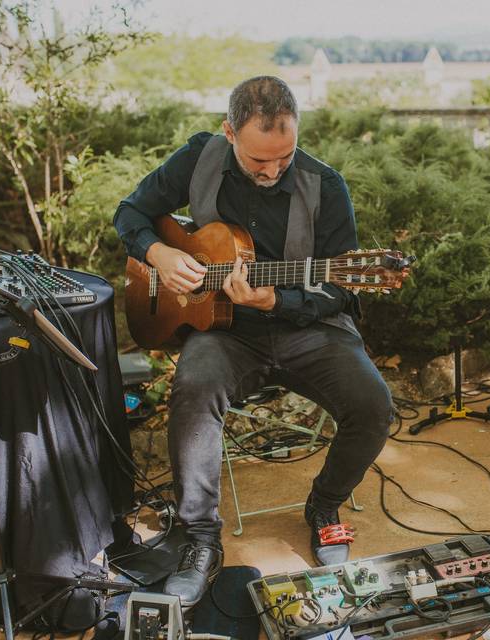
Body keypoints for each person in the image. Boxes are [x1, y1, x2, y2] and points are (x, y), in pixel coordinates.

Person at [113, 76, 393, 609]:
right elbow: (129, 213)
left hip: (307, 328)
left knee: (374, 406)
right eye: (258, 160)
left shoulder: (326, 185)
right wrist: (161, 256)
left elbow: (339, 289)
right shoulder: (199, 156)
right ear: (229, 133)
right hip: (223, 332)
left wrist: (276, 303)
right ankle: (199, 539)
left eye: (283, 157)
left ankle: (325, 505)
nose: (272, 171)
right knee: (192, 392)